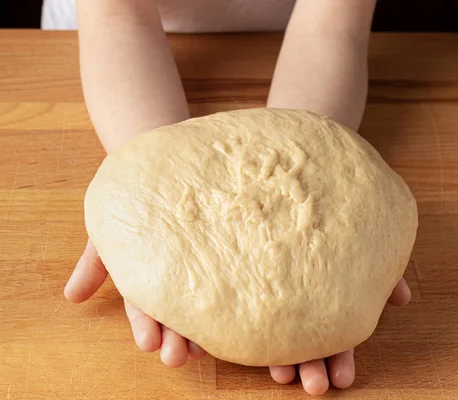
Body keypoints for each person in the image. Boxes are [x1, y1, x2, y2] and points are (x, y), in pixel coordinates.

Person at [43, 0, 412, 395]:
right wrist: (147, 191)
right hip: (112, 37)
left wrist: (318, 175)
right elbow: (118, 16)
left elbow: (331, 24)